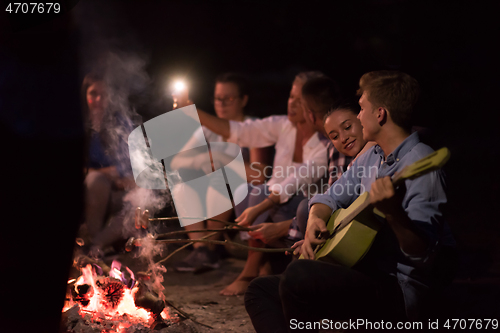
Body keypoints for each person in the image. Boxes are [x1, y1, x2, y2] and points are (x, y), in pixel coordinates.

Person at [244, 70, 457, 332]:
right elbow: (329, 196)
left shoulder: (422, 165)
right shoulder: (374, 155)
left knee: (298, 277)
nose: (357, 116)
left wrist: (393, 213)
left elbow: (423, 256)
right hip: (368, 268)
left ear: (380, 114)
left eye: (361, 108)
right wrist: (315, 220)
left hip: (399, 289)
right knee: (260, 290)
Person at [193, 71, 329, 296]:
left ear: (313, 105)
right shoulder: (284, 125)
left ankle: (249, 272)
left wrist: (260, 205)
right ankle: (261, 265)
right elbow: (239, 132)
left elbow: (293, 184)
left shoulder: (323, 143)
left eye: (299, 99)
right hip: (276, 202)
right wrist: (191, 111)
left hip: (304, 211)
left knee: (258, 190)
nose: (292, 104)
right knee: (245, 189)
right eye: (290, 97)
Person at [170, 73, 270, 272]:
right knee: (181, 182)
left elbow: (260, 175)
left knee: (222, 176)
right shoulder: (210, 129)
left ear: (244, 100)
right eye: (217, 98)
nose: (221, 104)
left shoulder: (253, 127)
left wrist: (222, 161)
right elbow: (176, 161)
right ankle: (202, 249)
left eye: (229, 98)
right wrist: (202, 159)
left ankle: (209, 247)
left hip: (243, 201)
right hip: (210, 198)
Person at [79, 72, 136, 254]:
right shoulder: (78, 124)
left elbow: (131, 161)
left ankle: (96, 245)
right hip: (90, 192)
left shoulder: (119, 122)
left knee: (145, 198)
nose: (98, 99)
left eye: (103, 95)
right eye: (93, 94)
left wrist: (122, 176)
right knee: (96, 181)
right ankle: (98, 244)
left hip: (118, 192)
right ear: (85, 95)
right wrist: (108, 174)